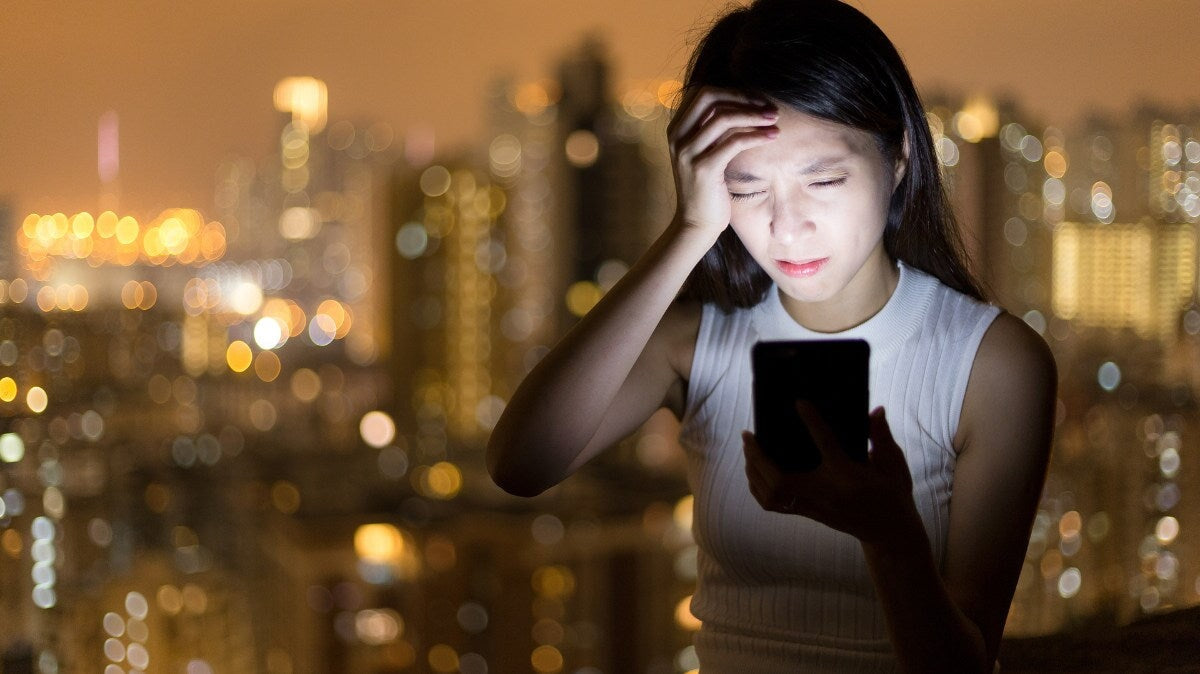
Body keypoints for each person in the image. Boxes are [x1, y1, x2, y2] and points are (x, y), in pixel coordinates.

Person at [487, 0, 1057, 671]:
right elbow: (521, 465)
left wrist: (891, 538)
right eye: (747, 187)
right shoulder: (697, 342)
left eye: (822, 179)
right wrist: (689, 230)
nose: (787, 227)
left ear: (899, 156)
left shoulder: (991, 364)